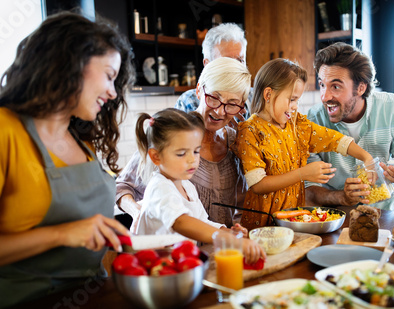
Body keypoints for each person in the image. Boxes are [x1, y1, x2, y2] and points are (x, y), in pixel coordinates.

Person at [0, 12, 135, 308]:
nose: (113, 93)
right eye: (109, 76)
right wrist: (62, 234)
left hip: (92, 297)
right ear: (71, 63)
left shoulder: (82, 141)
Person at [233, 58, 373, 230]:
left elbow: (333, 139)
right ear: (268, 94)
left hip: (294, 221)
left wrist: (366, 157)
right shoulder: (250, 131)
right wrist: (303, 174)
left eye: (297, 100)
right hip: (262, 225)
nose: (295, 106)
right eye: (291, 99)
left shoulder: (297, 124)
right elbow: (258, 185)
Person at [117, 57, 251, 231]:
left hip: (215, 250)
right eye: (214, 98)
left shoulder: (237, 143)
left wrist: (228, 231)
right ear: (198, 91)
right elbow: (122, 187)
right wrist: (137, 212)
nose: (219, 111)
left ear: (241, 108)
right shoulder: (173, 135)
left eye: (232, 104)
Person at [132, 108, 265, 264]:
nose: (192, 160)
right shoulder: (159, 187)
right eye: (181, 153)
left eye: (196, 151)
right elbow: (182, 222)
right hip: (152, 269)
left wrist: (228, 233)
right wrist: (231, 241)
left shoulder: (187, 186)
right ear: (156, 157)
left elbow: (202, 222)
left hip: (179, 264)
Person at [306, 42, 394, 212]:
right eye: (322, 84)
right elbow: (309, 190)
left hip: (387, 215)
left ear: (360, 88)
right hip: (337, 220)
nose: (325, 96)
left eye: (335, 86)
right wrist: (343, 197)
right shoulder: (313, 120)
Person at [174, 23, 250, 115]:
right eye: (226, 62)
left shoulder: (255, 97)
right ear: (207, 64)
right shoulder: (189, 101)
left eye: (240, 61)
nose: (235, 69)